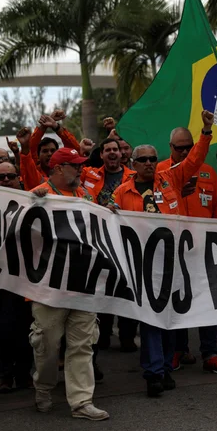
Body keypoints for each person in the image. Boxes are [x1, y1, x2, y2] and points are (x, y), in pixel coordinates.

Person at [111, 110, 215, 397]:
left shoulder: (171, 178)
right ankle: (153, 373)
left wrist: (206, 131)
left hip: (173, 262)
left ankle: (166, 368)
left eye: (152, 159)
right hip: (142, 266)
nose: (148, 163)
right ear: (132, 164)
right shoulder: (121, 192)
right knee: (151, 320)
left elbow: (194, 159)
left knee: (170, 320)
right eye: (142, 159)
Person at [29, 148, 109, 421]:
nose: (81, 170)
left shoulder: (85, 196)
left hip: (83, 284)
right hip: (49, 287)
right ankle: (43, 387)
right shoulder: (38, 193)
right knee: (48, 345)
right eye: (75, 166)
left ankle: (81, 401)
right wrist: (32, 203)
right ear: (59, 168)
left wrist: (107, 213)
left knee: (82, 345)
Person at [157, 126, 217, 375]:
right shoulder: (160, 173)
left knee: (206, 303)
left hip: (203, 253)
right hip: (171, 253)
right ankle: (179, 349)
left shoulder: (209, 173)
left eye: (189, 147)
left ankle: (210, 352)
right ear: (171, 148)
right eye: (180, 148)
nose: (186, 152)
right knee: (176, 302)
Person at [79, 138, 138, 352]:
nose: (113, 153)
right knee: (103, 287)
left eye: (116, 149)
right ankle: (102, 336)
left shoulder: (134, 176)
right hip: (99, 242)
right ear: (101, 155)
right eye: (108, 150)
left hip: (126, 242)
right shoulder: (89, 174)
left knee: (127, 289)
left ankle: (127, 336)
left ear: (122, 154)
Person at [0, 161, 33, 393]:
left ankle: (24, 373)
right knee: (5, 329)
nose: (6, 180)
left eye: (10, 176)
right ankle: (5, 376)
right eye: (0, 177)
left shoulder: (31, 201)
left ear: (19, 178)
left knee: (27, 328)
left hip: (27, 277)